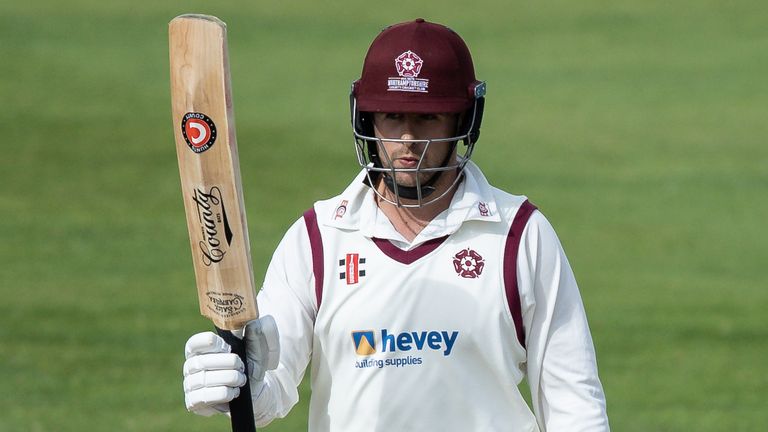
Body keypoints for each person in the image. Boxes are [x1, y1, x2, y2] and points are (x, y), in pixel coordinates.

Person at [182, 18, 610, 431]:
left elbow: (572, 401)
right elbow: (272, 389)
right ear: (366, 119)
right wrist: (240, 385)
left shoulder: (519, 234)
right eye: (391, 116)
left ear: (463, 121)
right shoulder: (318, 238)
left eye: (426, 118)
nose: (407, 140)